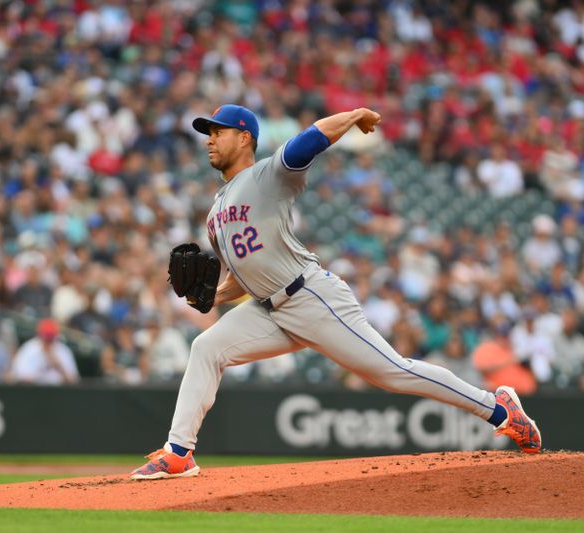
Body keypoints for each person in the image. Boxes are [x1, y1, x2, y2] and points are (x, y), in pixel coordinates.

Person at [131, 105, 541, 480]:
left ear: (244, 138)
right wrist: (214, 297)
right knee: (207, 348)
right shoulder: (216, 211)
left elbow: (311, 139)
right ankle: (180, 451)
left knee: (392, 372)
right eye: (208, 133)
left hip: (311, 296)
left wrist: (354, 114)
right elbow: (245, 270)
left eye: (218, 131)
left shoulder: (267, 175)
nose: (209, 139)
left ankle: (499, 409)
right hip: (267, 308)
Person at [11, 319, 79, 385]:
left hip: (59, 393)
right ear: (39, 335)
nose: (49, 341)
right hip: (33, 393)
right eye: (47, 338)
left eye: (51, 338)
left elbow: (73, 381)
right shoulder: (29, 349)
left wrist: (59, 367)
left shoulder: (63, 350)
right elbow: (19, 378)